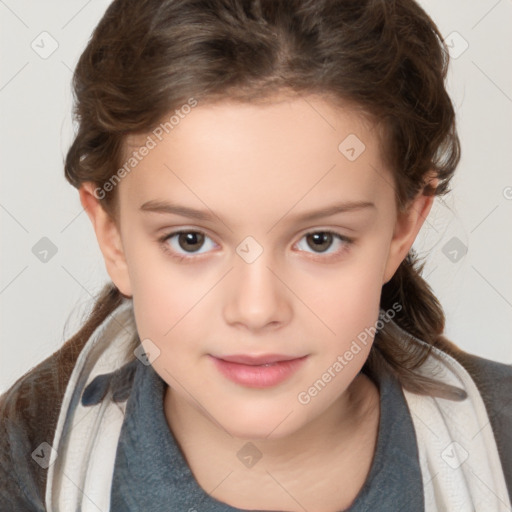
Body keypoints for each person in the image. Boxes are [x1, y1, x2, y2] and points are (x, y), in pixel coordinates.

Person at [1, 0, 511, 511]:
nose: (256, 309)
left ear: (402, 228)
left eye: (319, 240)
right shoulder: (22, 464)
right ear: (112, 237)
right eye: (191, 240)